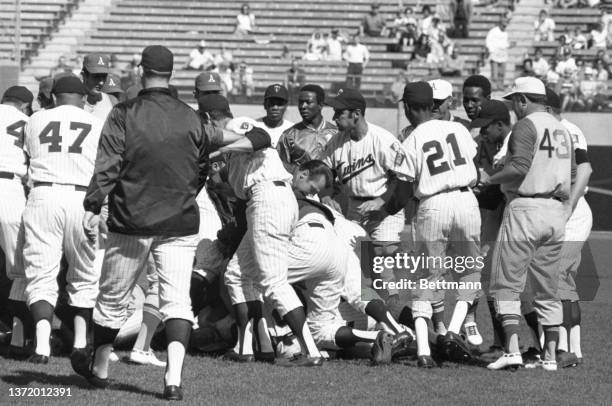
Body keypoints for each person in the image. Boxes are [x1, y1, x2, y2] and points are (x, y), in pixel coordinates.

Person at [73, 45, 229, 400]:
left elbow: (108, 162)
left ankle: (99, 367)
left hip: (134, 217)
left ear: (142, 70)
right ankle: (173, 380)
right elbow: (202, 166)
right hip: (180, 218)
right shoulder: (191, 116)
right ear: (172, 73)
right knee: (177, 302)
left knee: (113, 297)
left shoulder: (124, 112)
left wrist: (94, 202)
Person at [200, 94, 324, 368]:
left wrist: (220, 150)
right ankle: (248, 348)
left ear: (208, 118)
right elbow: (234, 185)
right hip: (263, 200)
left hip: (270, 196)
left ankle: (311, 351)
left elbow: (262, 138)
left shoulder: (237, 124)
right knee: (235, 274)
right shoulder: (229, 144)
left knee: (274, 281)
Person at [484, 77, 574, 371]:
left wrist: (490, 178)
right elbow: (571, 172)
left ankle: (511, 351)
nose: (513, 107)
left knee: (505, 283)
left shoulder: (526, 125)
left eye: (514, 101)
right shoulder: (561, 127)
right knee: (547, 288)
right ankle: (550, 356)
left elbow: (519, 167)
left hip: (526, 208)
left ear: (523, 99)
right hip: (555, 210)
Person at [22, 76, 103, 365]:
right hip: (83, 198)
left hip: (44, 194)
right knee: (84, 273)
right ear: (83, 99)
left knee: (41, 272)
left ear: (54, 98)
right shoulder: (96, 122)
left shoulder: (36, 119)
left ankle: (42, 346)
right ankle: (81, 343)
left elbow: (29, 153)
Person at [399, 81, 481, 368]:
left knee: (426, 277)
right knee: (469, 271)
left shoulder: (413, 136)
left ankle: (423, 350)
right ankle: (454, 331)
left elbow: (403, 182)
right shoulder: (458, 128)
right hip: (466, 199)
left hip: (432, 201)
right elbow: (472, 156)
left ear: (409, 107)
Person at [321, 88, 412, 309]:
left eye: (339, 112)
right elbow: (323, 174)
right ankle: (366, 320)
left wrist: (382, 202)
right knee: (352, 266)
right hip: (354, 207)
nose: (334, 117)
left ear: (356, 114)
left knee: (383, 261)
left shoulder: (383, 139)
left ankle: (397, 318)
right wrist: (325, 195)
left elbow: (405, 180)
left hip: (385, 207)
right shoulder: (336, 143)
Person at [545, 88, 592, 368]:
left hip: (571, 211)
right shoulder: (567, 128)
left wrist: (567, 207)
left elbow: (585, 170)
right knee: (564, 284)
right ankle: (573, 348)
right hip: (566, 210)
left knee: (558, 278)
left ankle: (564, 347)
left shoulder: (563, 130)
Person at [0, 86, 33, 357]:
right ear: (24, 106)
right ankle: (18, 340)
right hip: (10, 188)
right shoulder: (27, 121)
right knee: (19, 270)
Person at [277, 84, 338, 174]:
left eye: (308, 102)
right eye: (300, 102)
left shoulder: (337, 133)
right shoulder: (288, 136)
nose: (303, 106)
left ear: (320, 105)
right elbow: (280, 167)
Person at [82, 53, 116, 121]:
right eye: (96, 76)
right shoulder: (73, 102)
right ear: (84, 76)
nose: (101, 82)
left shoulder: (112, 102)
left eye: (104, 76)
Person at [485, 17, 510, 90]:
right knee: (494, 73)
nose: (504, 27)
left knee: (502, 73)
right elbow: (488, 41)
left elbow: (505, 43)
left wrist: (509, 45)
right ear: (500, 24)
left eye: (505, 25)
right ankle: (494, 86)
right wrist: (491, 50)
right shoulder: (493, 31)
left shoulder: (505, 33)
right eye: (503, 25)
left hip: (503, 55)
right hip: (495, 55)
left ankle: (500, 86)